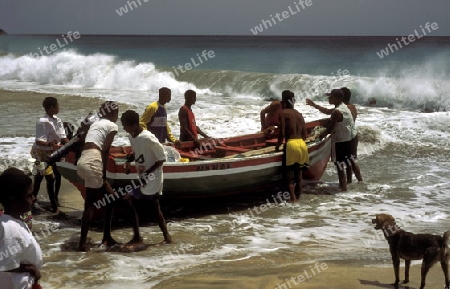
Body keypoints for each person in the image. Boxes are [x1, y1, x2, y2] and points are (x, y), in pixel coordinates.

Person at [121, 110, 172, 245]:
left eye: (124, 125)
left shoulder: (148, 138)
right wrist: (128, 161)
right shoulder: (132, 136)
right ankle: (140, 236)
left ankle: (166, 237)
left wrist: (146, 175)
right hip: (142, 177)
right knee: (132, 201)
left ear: (133, 125)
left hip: (153, 178)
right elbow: (135, 152)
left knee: (154, 208)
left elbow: (162, 159)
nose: (123, 128)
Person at [76, 101, 119, 252]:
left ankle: (106, 237)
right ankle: (84, 244)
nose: (117, 116)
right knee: (91, 205)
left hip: (83, 160)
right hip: (94, 161)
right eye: (117, 113)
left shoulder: (97, 123)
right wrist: (104, 176)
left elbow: (83, 137)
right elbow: (105, 150)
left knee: (108, 199)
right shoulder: (113, 126)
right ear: (112, 114)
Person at [306, 87, 362, 183]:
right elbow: (330, 112)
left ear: (341, 97)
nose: (329, 99)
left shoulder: (341, 110)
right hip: (353, 136)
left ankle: (346, 185)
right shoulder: (350, 107)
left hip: (344, 138)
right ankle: (358, 182)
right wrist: (314, 105)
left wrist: (318, 137)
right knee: (351, 162)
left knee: (342, 165)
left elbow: (330, 120)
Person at [0, 168, 43, 289]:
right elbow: (4, 263)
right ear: (13, 201)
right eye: (29, 195)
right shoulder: (11, 230)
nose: (33, 198)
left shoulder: (13, 221)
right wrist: (30, 268)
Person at [31, 97, 69, 213]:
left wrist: (72, 145)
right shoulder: (42, 122)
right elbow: (38, 141)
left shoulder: (58, 120)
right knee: (49, 178)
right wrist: (49, 143)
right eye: (57, 105)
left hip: (53, 153)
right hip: (41, 153)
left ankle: (32, 199)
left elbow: (63, 138)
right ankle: (54, 207)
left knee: (40, 178)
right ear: (52, 107)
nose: (59, 107)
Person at [315, 89, 356, 192]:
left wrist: (319, 136)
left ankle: (343, 190)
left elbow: (330, 129)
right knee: (346, 164)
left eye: (331, 97)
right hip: (349, 139)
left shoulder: (337, 112)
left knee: (339, 167)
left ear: (338, 99)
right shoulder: (344, 108)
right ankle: (346, 187)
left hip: (340, 142)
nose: (329, 99)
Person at [275, 90, 309, 202]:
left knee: (288, 178)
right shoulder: (299, 114)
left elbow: (282, 133)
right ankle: (298, 199)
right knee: (299, 177)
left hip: (291, 144)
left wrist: (278, 146)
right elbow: (305, 135)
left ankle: (293, 201)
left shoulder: (283, 113)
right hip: (302, 144)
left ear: (283, 101)